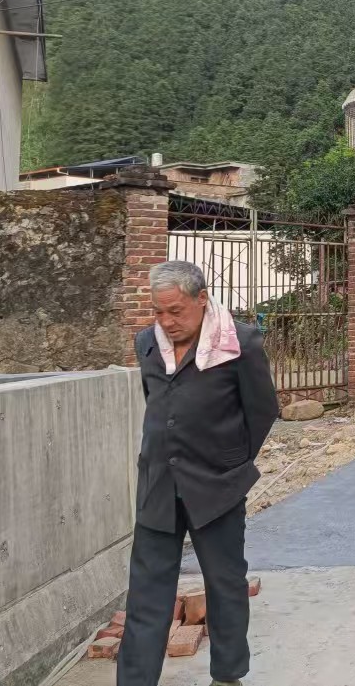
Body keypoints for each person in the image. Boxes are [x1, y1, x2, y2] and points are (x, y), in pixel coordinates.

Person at [118, 261, 279, 686]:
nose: (167, 321)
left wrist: (232, 462)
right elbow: (158, 403)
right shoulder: (146, 343)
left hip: (217, 487)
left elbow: (262, 410)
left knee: (225, 583)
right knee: (146, 592)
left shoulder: (239, 342)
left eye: (176, 311)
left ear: (202, 299)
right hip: (158, 486)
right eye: (159, 312)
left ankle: (227, 675)